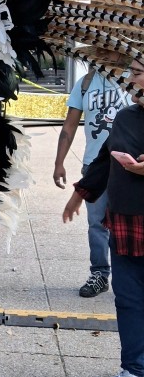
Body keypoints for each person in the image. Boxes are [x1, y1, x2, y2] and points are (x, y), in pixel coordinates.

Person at [62, 58, 144, 377]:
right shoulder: (125, 117)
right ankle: (135, 371)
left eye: (138, 72)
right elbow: (102, 162)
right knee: (128, 299)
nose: (132, 79)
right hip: (125, 224)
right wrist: (79, 196)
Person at [54, 67, 130, 298]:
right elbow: (69, 125)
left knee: (129, 225)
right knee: (97, 224)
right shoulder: (86, 82)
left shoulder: (135, 77)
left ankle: (128, 278)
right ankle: (99, 274)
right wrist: (59, 162)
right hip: (94, 165)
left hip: (129, 166)